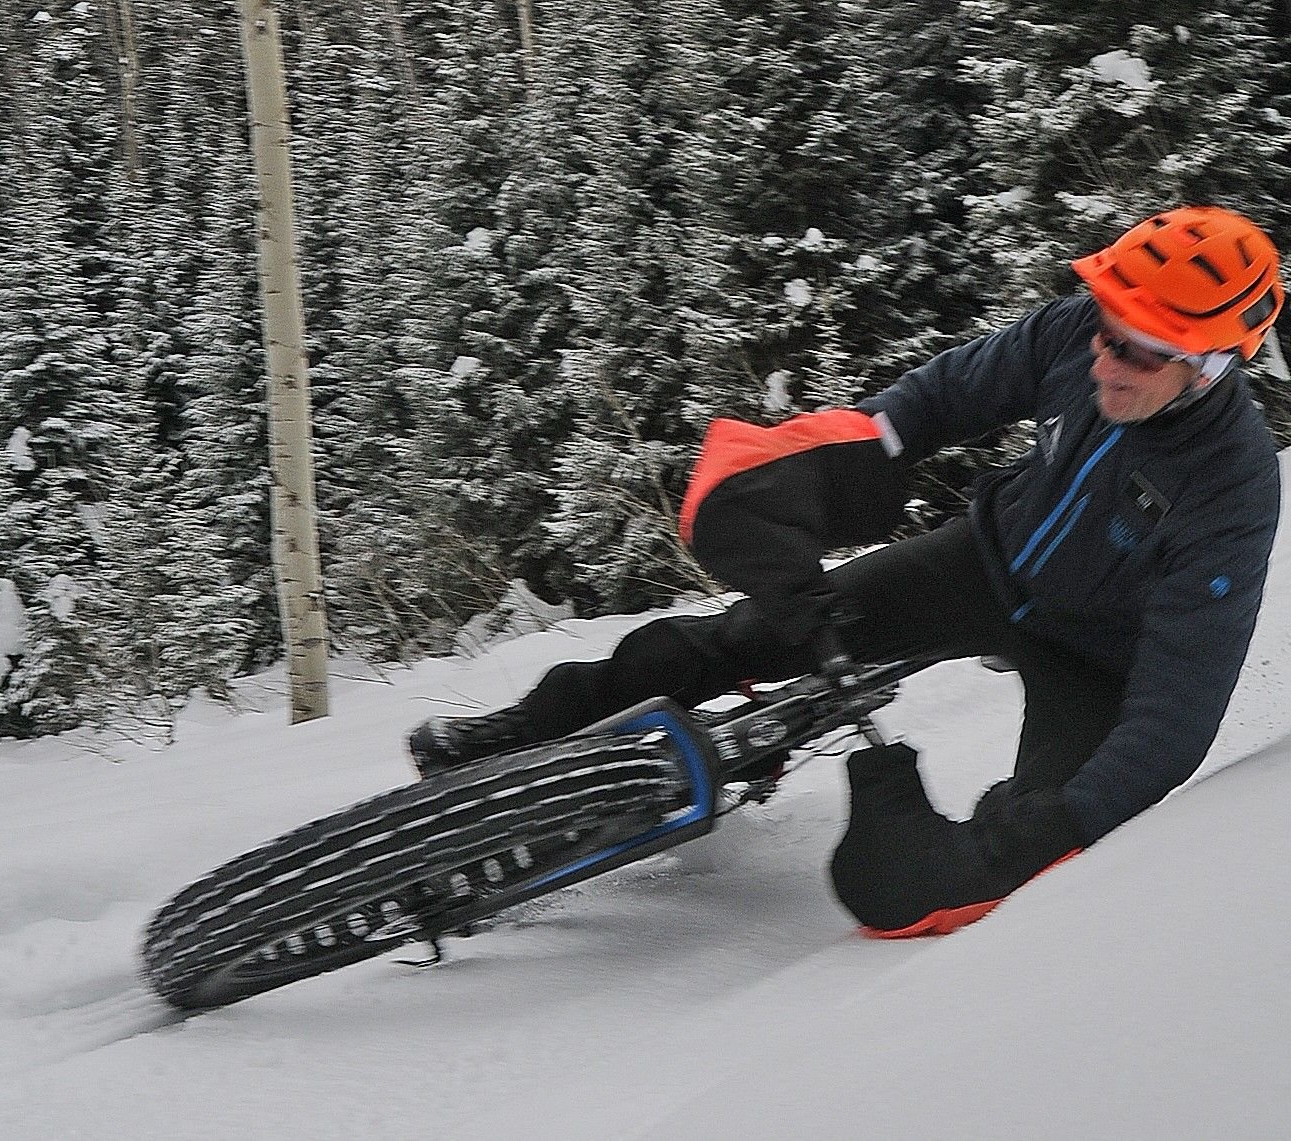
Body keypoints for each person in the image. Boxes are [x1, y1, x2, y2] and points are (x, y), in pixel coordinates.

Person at [408, 205, 1286, 937]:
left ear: (1210, 365)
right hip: (983, 561)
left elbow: (1174, 713)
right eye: (1104, 328)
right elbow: (939, 399)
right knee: (747, 634)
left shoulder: (1232, 489)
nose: (1103, 356)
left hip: (1094, 654)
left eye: (1137, 349)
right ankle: (534, 724)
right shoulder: (1076, 335)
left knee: (1038, 867)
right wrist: (829, 467)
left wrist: (1036, 831)